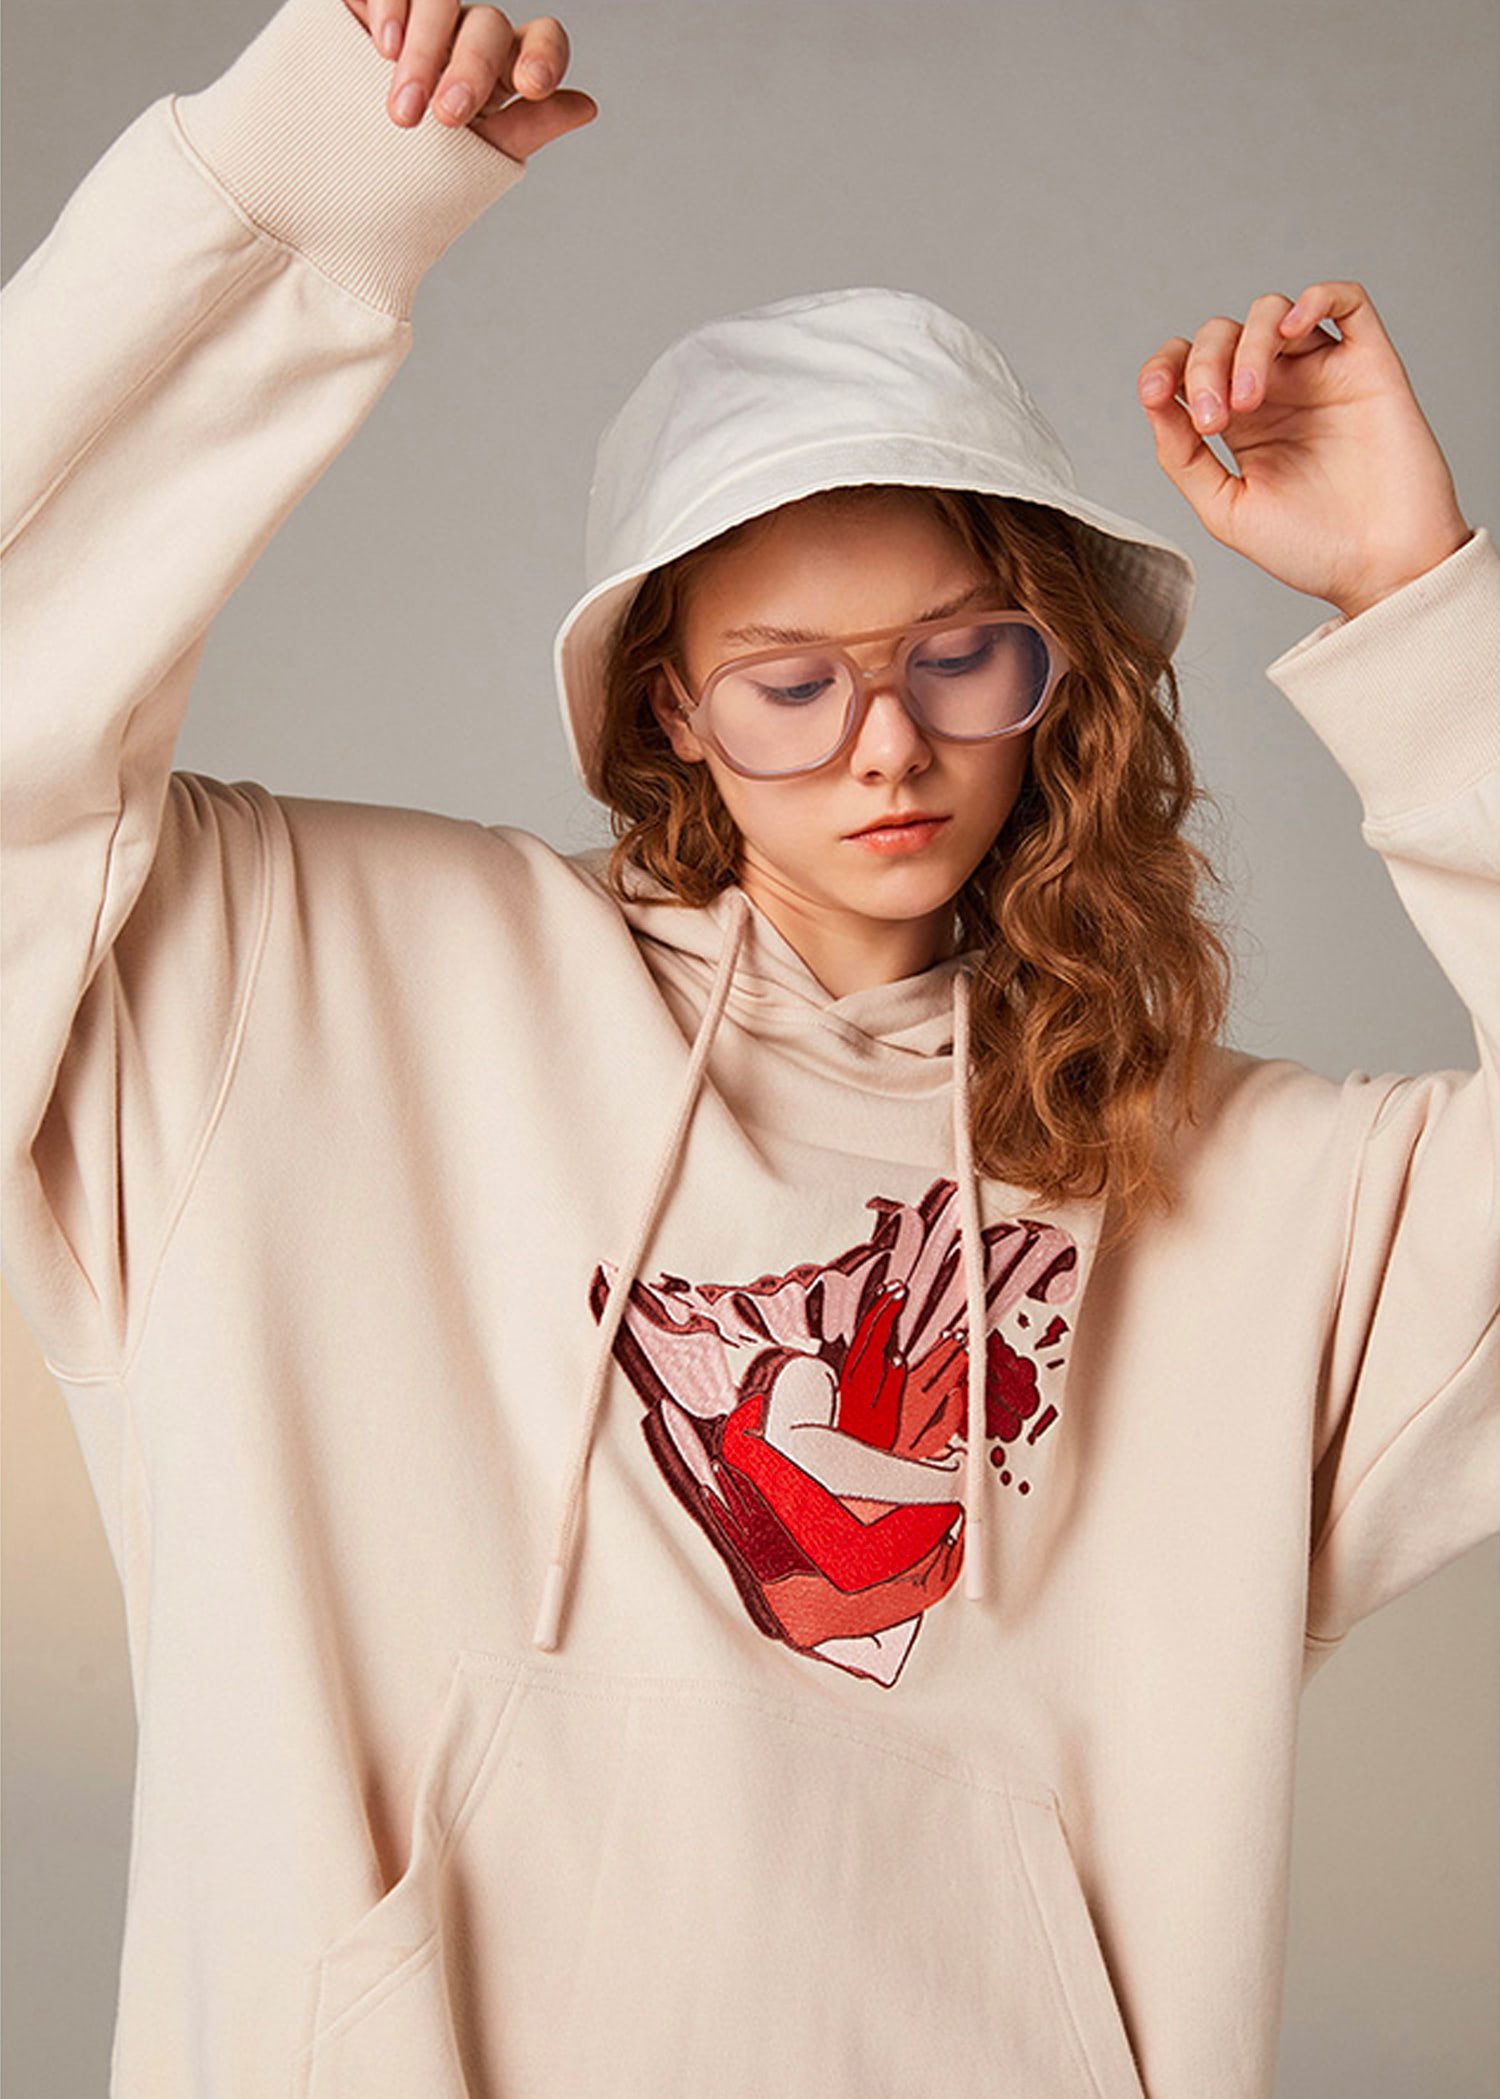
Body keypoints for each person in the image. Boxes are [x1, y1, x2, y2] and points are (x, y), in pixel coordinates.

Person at [1, 0, 1495, 2093]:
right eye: (791, 682)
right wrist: (302, 195)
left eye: (961, 659)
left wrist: (1422, 605)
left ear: (1057, 678)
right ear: (673, 709)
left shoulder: (1259, 1203)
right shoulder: (299, 983)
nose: (888, 745)